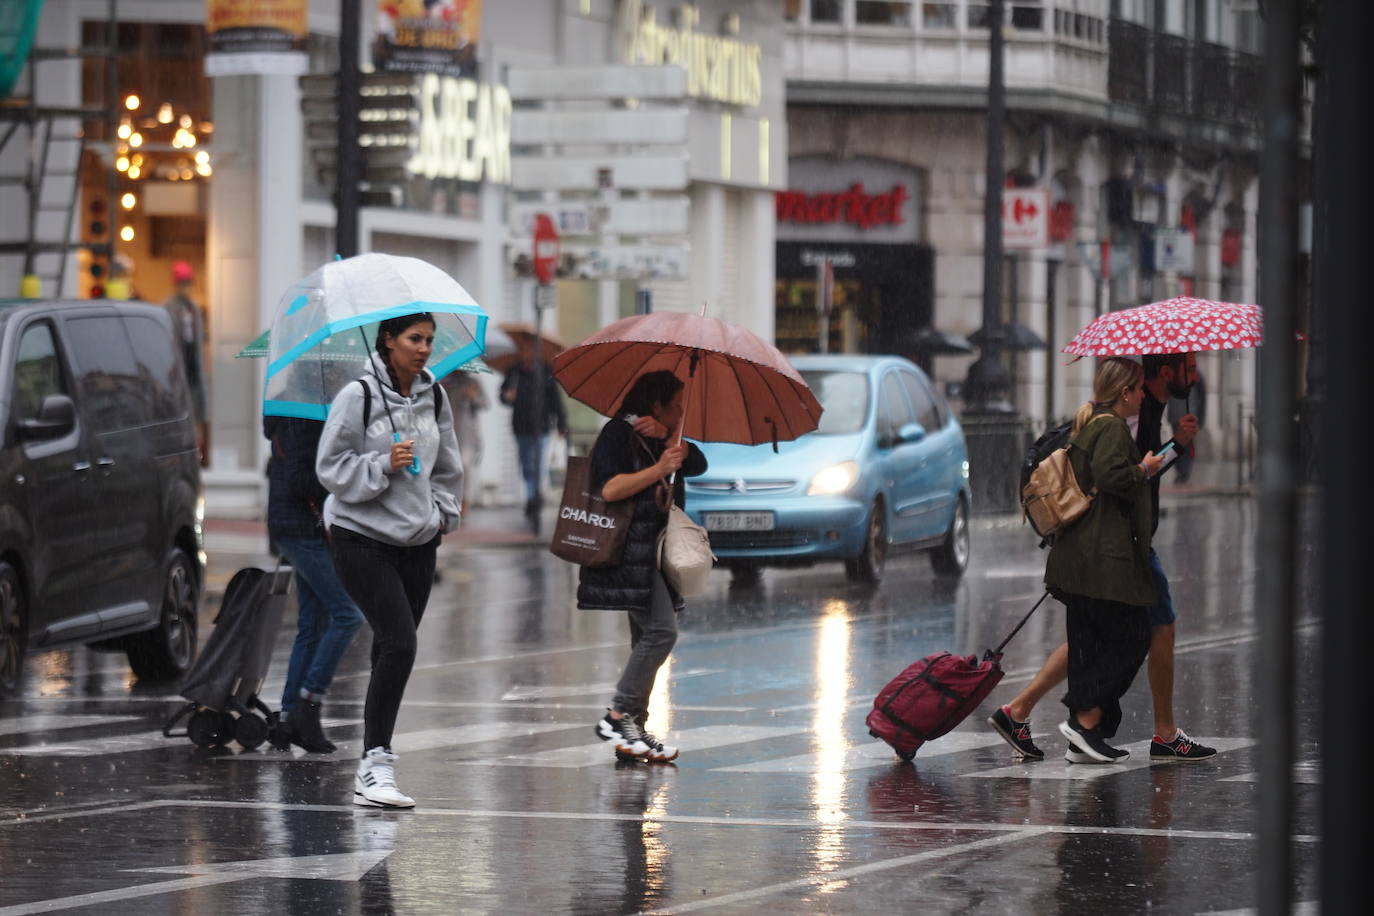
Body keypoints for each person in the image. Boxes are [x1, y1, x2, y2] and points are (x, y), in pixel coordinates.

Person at [989, 352, 1217, 763]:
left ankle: (1024, 711)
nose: (1197, 376)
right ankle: (1106, 725)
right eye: (1191, 367)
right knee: (1142, 630)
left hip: (1109, 542)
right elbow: (1120, 475)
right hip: (1117, 543)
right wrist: (1168, 452)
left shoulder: (1138, 409)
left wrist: (1172, 449)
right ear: (1167, 372)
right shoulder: (1130, 415)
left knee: (1093, 635)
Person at [316, 313, 463, 808]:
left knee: (390, 647)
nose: (423, 349)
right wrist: (382, 463)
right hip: (361, 536)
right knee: (401, 642)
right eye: (413, 339)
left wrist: (443, 512)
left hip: (418, 539)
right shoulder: (357, 396)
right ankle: (375, 764)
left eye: (429, 341)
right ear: (388, 340)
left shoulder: (434, 395)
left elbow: (447, 465)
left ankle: (370, 760)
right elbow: (330, 466)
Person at [580, 370, 706, 764]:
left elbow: (698, 463)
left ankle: (631, 732)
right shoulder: (618, 434)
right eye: (677, 405)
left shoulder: (663, 438)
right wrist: (657, 466)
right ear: (656, 404)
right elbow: (610, 488)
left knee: (645, 640)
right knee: (661, 633)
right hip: (626, 551)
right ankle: (618, 715)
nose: (682, 411)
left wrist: (673, 445)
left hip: (654, 552)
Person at [263, 413, 364, 753]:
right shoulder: (302, 421)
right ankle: (309, 701)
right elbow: (299, 480)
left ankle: (291, 715)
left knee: (313, 622)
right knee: (348, 614)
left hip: (300, 526)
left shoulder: (300, 417)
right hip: (299, 528)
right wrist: (340, 476)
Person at [500, 339, 568, 518]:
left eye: (530, 350)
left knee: (537, 463)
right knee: (526, 465)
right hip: (521, 426)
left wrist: (561, 423)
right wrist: (507, 396)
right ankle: (533, 494)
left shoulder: (545, 372)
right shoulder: (514, 372)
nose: (527, 354)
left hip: (542, 426)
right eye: (524, 350)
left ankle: (533, 496)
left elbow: (556, 401)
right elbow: (503, 395)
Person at [163, 261, 209, 464]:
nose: (185, 286)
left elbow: (198, 342)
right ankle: (180, 456)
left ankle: (194, 455)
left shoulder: (194, 308)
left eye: (187, 282)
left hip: (193, 372)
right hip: (176, 372)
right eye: (182, 282)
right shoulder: (168, 307)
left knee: (196, 416)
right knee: (177, 416)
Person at [439, 369, 488, 518]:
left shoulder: (473, 383)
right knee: (448, 469)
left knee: (465, 470)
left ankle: (464, 503)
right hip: (448, 434)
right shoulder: (445, 382)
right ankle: (449, 502)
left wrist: (472, 397)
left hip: (467, 436)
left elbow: (485, 403)